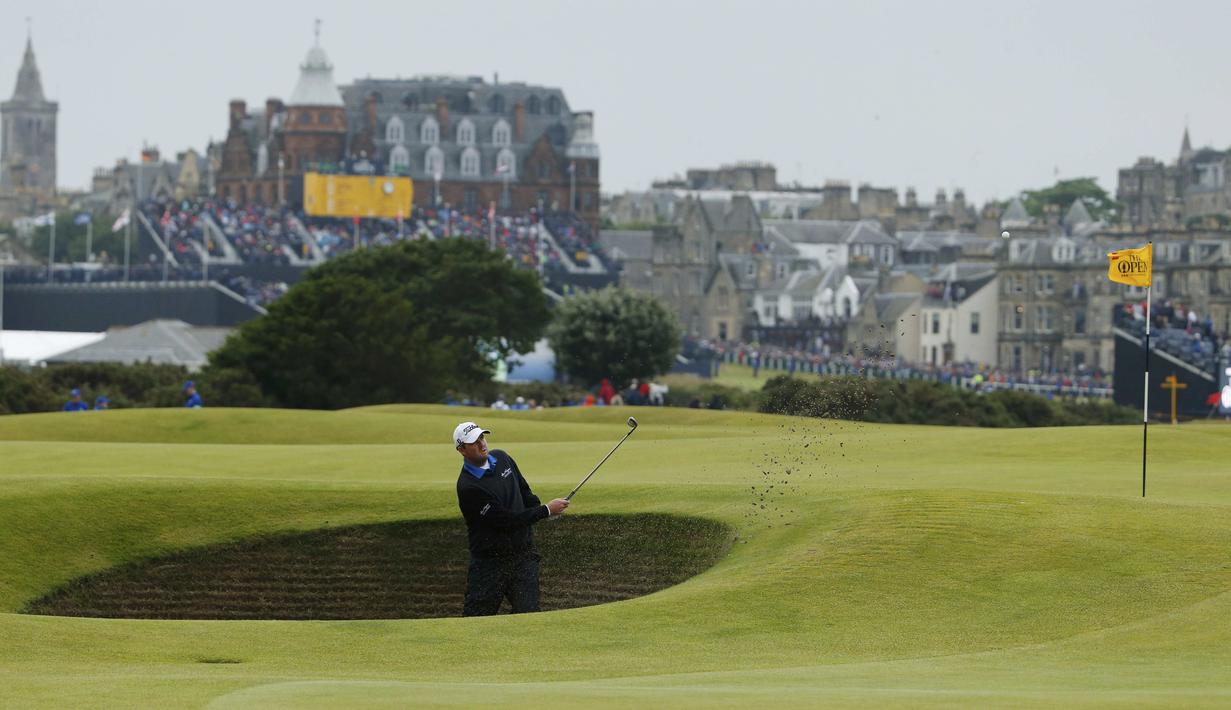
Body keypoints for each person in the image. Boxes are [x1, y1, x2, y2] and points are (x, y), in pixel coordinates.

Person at [453, 421, 569, 616]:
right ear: (462, 450)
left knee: (529, 616)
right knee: (476, 619)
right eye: (474, 442)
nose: (482, 444)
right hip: (489, 563)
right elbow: (506, 521)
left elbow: (525, 492)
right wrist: (545, 511)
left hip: (523, 556)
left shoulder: (502, 458)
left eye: (482, 437)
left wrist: (538, 510)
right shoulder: (468, 487)